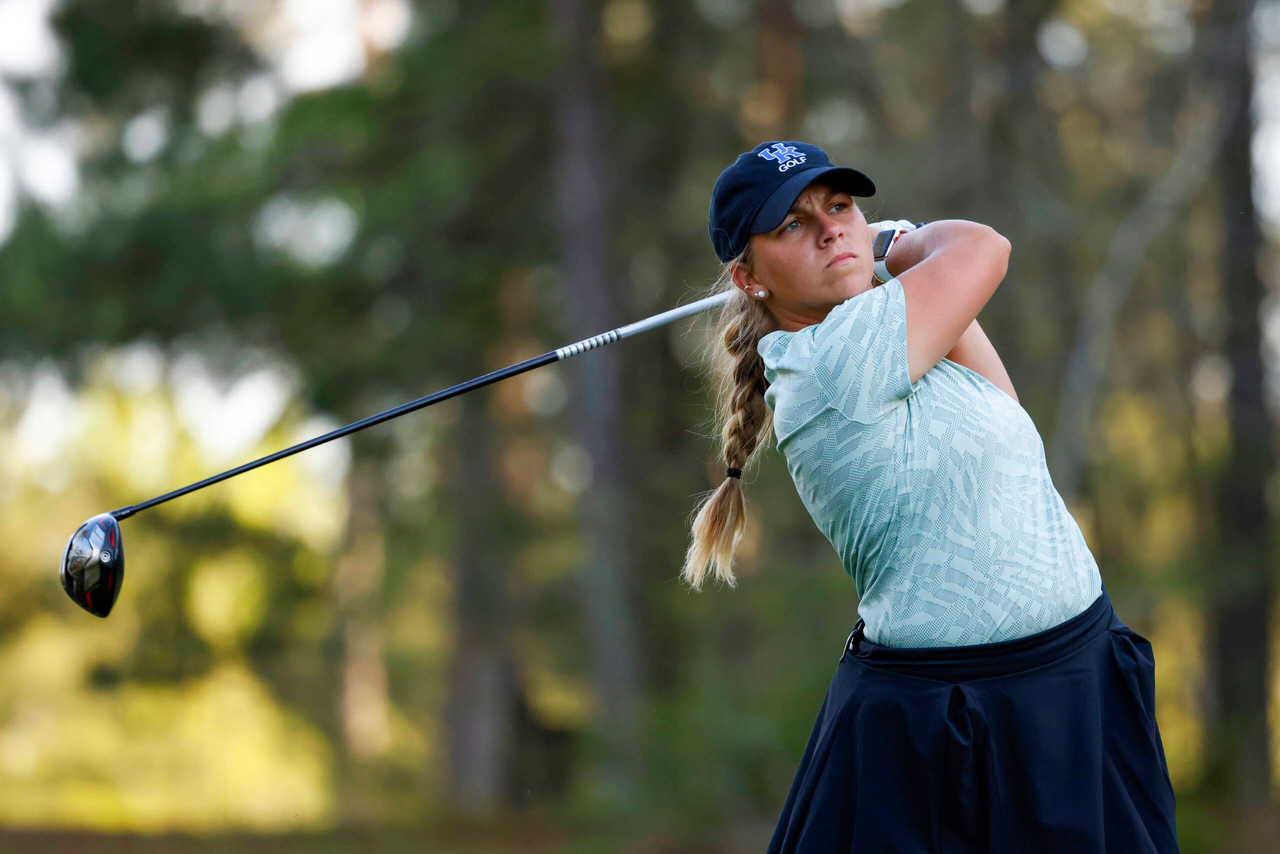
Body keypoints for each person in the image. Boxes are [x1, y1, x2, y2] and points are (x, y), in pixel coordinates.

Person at [684, 140, 1179, 852]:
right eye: (792, 224)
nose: (829, 230)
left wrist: (884, 264)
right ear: (748, 277)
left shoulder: (896, 339)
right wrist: (900, 244)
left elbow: (1009, 427)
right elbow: (984, 248)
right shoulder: (828, 363)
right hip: (963, 723)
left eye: (840, 207)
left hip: (1076, 684)